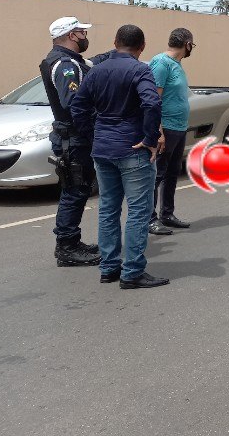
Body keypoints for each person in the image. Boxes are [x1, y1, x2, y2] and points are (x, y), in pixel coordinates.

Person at [71, 24, 168, 289]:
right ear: (142, 46)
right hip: (132, 149)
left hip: (103, 149)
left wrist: (94, 134)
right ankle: (133, 271)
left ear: (115, 42)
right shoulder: (140, 69)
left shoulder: (96, 71)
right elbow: (151, 102)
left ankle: (109, 267)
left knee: (108, 209)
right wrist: (149, 139)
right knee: (138, 211)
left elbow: (78, 107)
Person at [39, 16, 109, 267]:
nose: (85, 36)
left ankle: (72, 241)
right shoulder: (66, 64)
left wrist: (116, 52)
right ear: (71, 35)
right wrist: (93, 130)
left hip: (73, 137)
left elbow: (92, 63)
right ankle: (66, 247)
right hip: (74, 138)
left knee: (77, 190)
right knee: (75, 191)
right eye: (81, 32)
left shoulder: (66, 60)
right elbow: (74, 103)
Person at [147, 28, 195, 236]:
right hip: (165, 127)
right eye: (192, 45)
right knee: (157, 174)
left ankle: (167, 214)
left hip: (179, 127)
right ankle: (150, 218)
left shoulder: (176, 64)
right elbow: (153, 99)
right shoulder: (161, 63)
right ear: (187, 44)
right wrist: (158, 131)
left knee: (172, 172)